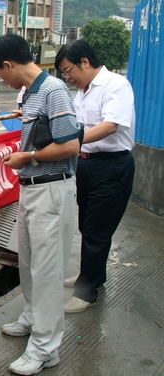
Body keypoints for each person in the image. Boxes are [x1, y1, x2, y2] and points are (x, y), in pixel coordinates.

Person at [0, 34, 81, 376]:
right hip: (31, 188)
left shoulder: (53, 90)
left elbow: (70, 145)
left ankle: (45, 348)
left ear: (8, 64)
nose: (1, 79)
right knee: (28, 262)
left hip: (51, 188)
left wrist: (29, 157)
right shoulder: (30, 93)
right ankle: (32, 317)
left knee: (47, 270)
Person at [55, 40, 135, 314]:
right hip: (86, 164)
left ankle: (86, 292)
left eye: (69, 70)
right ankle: (91, 275)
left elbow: (110, 125)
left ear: (85, 62)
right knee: (87, 226)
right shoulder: (83, 92)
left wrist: (72, 142)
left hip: (111, 166)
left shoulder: (115, 85)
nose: (68, 77)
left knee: (97, 230)